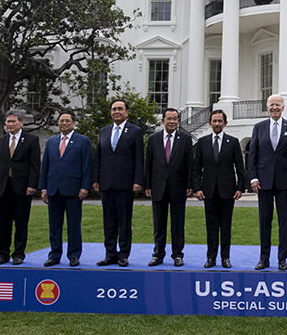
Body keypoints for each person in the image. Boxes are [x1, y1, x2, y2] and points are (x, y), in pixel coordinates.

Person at [248, 94, 287, 270]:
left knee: (283, 222)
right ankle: (264, 258)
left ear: (283, 107)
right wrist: (253, 177)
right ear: (267, 107)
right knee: (265, 221)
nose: (274, 107)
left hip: (284, 183)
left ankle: (282, 259)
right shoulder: (259, 127)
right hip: (263, 182)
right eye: (271, 104)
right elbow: (253, 156)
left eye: (277, 104)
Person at [92, 99, 144, 267]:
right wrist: (96, 179)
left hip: (125, 183)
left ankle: (123, 255)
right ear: (110, 112)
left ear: (127, 112)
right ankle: (110, 254)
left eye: (120, 109)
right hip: (106, 183)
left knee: (124, 222)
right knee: (109, 221)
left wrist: (137, 180)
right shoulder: (103, 131)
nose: (117, 112)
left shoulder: (135, 131)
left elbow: (138, 158)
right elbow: (99, 157)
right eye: (114, 109)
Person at [193, 109, 246, 269]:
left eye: (220, 121)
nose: (217, 124)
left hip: (228, 190)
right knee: (211, 226)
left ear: (225, 123)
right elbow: (196, 168)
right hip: (208, 191)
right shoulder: (202, 142)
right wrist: (197, 188)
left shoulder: (233, 141)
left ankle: (225, 257)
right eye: (214, 121)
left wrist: (240, 188)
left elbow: (240, 167)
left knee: (226, 225)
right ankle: (211, 258)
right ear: (210, 123)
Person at [0, 108, 40, 265]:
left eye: (13, 121)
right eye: (8, 121)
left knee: (21, 222)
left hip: (22, 188)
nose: (10, 124)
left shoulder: (31, 140)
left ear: (21, 123)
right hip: (3, 187)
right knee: (3, 223)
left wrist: (32, 185)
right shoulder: (0, 142)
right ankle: (2, 254)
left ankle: (18, 254)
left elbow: (35, 164)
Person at [39, 110, 93, 267]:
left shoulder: (83, 141)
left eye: (67, 121)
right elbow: (45, 166)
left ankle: (74, 255)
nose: (64, 123)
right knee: (54, 225)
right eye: (61, 121)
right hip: (53, 189)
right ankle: (54, 254)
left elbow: (87, 166)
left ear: (74, 123)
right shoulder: (51, 142)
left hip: (73, 189)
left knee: (73, 225)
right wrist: (43, 188)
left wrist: (85, 186)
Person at [144, 108, 193, 267]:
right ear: (163, 120)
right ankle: (158, 254)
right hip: (158, 186)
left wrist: (189, 184)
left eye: (175, 119)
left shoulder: (185, 139)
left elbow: (189, 164)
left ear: (178, 121)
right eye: (169, 118)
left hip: (178, 186)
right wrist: (147, 185)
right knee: (159, 224)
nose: (172, 121)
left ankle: (177, 255)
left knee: (178, 224)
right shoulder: (153, 139)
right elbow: (149, 164)